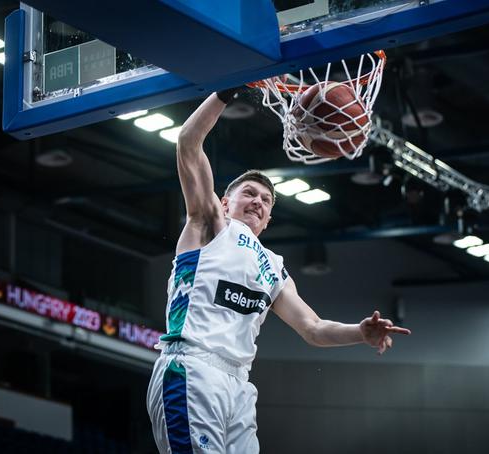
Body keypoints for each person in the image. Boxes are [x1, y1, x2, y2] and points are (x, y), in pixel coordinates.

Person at [146, 89, 411, 454]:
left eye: (266, 200)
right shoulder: (209, 224)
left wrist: (360, 333)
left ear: (269, 219)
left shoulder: (274, 268)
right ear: (225, 202)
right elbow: (188, 143)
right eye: (249, 193)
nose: (258, 201)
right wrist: (225, 92)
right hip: (192, 368)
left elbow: (313, 329)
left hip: (238, 385)